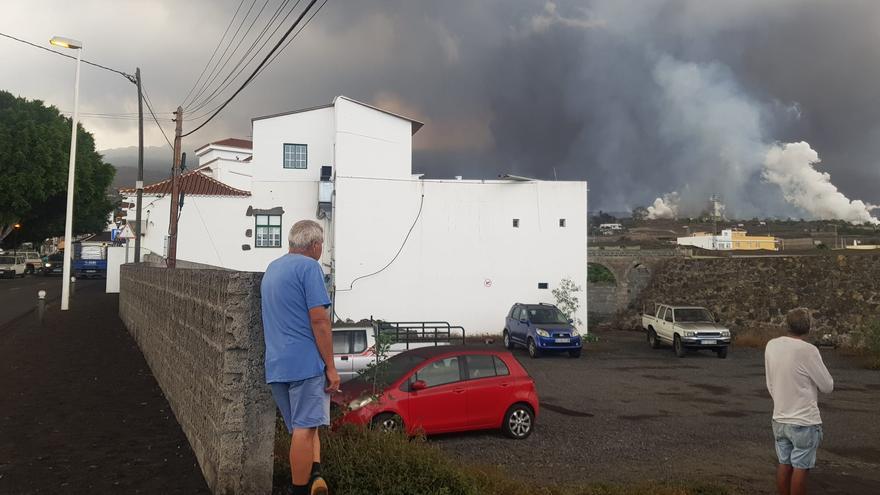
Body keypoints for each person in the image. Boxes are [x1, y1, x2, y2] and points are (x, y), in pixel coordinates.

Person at [262, 220, 340, 495]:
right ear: (316, 246)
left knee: (306, 426)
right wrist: (331, 367)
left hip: (276, 365)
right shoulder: (310, 268)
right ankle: (299, 490)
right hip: (305, 364)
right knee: (304, 430)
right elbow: (320, 320)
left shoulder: (273, 269)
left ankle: (315, 475)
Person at [765, 308, 834, 495]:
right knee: (801, 468)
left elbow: (770, 382)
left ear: (787, 324)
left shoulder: (772, 345)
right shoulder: (809, 351)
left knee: (784, 464)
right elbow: (827, 385)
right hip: (804, 420)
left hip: (779, 417)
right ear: (808, 327)